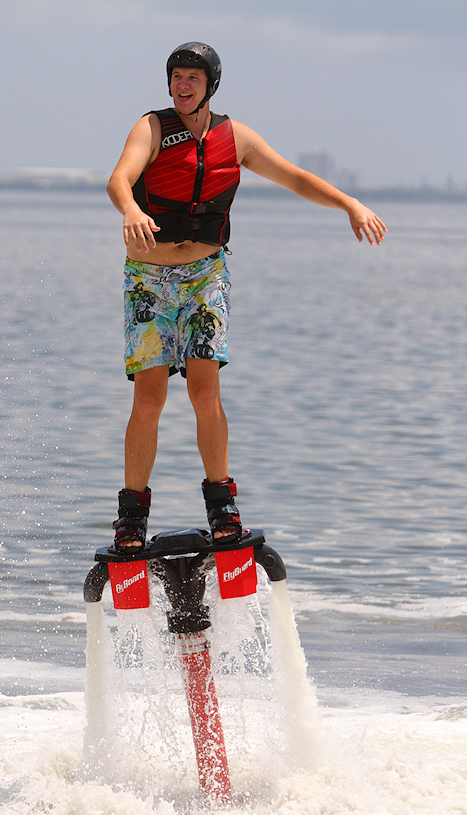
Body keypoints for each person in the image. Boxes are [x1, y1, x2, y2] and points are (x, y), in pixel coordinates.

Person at [107, 42, 387, 553]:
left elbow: (296, 178)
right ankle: (130, 520)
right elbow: (119, 178)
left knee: (204, 393)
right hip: (149, 278)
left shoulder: (235, 138)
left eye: (193, 77)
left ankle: (222, 509)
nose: (183, 85)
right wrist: (129, 208)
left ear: (210, 84)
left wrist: (350, 204)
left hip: (205, 278)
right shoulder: (149, 127)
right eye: (176, 77)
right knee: (149, 400)